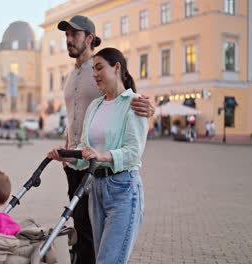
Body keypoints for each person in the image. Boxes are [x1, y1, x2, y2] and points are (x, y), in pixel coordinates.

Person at [56, 15, 154, 264]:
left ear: (90, 38)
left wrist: (148, 108)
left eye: (74, 34)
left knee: (106, 253)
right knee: (82, 233)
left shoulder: (103, 69)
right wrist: (66, 153)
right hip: (80, 164)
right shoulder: (72, 76)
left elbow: (128, 100)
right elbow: (77, 119)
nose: (68, 39)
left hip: (112, 174)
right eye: (66, 34)